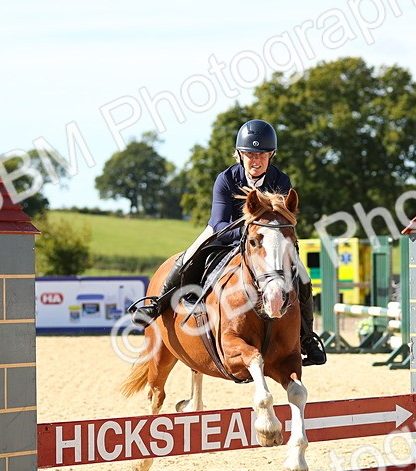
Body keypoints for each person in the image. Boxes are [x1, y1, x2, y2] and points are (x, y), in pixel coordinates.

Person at [131, 119, 327, 366]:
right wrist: (250, 235)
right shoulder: (225, 179)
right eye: (250, 154)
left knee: (303, 275)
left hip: (265, 245)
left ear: (271, 156)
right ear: (240, 155)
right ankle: (157, 304)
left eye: (263, 155)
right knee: (188, 257)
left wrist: (266, 237)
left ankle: (307, 337)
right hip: (224, 234)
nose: (256, 161)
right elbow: (219, 222)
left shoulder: (281, 180)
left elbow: (283, 218)